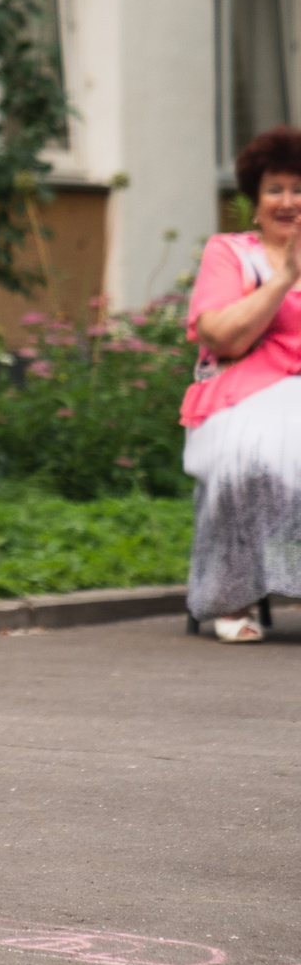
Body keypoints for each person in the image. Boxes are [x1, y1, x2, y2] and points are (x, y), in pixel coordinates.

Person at [180, 125, 301, 642]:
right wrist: (283, 279)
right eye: (275, 189)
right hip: (239, 396)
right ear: (255, 202)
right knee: (252, 456)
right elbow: (223, 338)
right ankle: (234, 596)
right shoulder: (230, 253)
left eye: (300, 188)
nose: (288, 201)